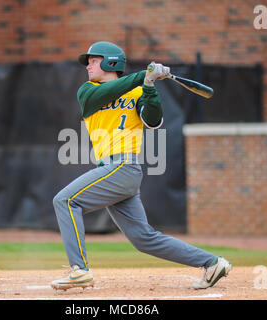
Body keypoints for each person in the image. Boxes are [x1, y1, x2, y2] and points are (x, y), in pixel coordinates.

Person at [51, 41, 232, 291]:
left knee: (66, 201)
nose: (88, 66)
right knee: (143, 239)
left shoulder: (137, 91)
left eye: (94, 60)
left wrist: (148, 86)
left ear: (110, 62)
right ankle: (212, 263)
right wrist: (143, 75)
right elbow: (106, 94)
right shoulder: (87, 91)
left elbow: (153, 120)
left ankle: (79, 270)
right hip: (114, 171)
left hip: (124, 166)